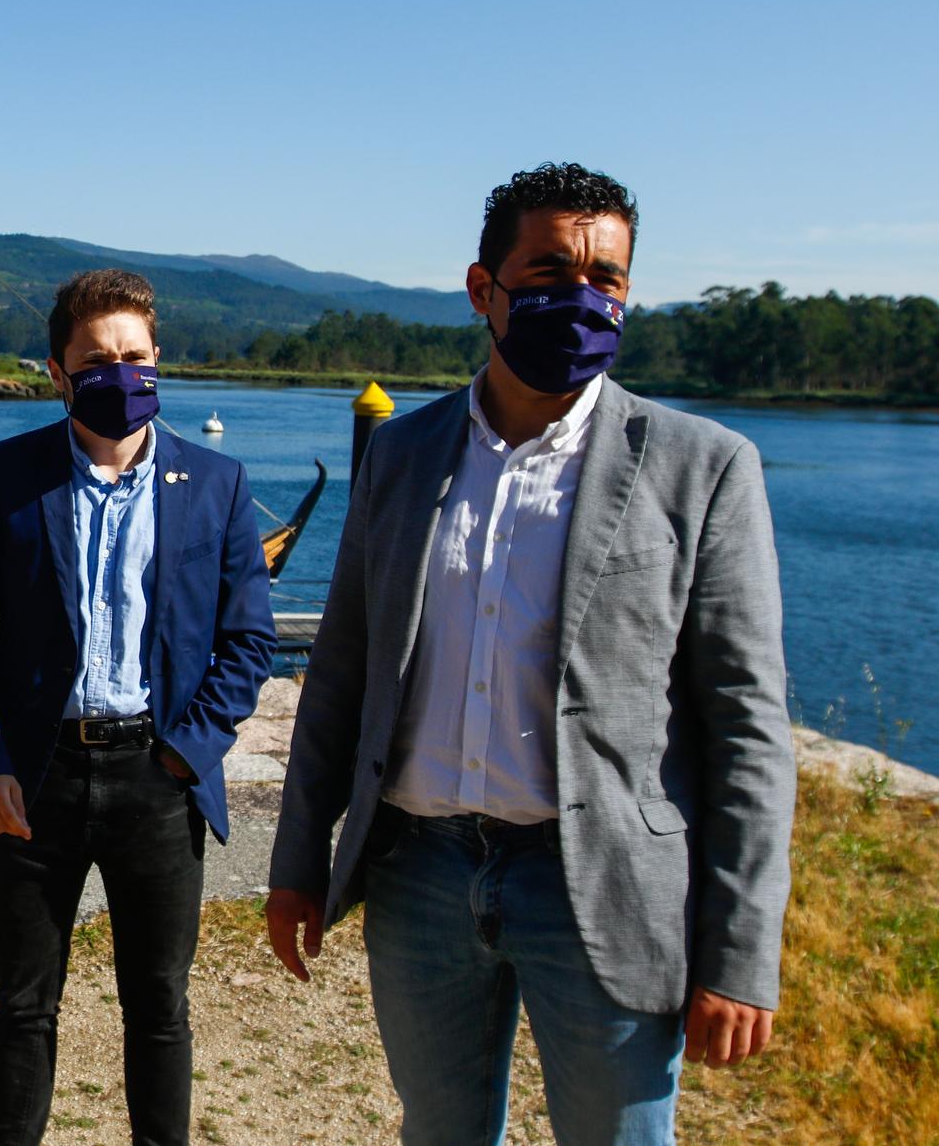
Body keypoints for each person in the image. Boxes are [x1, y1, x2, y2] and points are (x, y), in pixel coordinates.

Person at [264, 163, 796, 1144]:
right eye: (550, 270)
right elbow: (339, 672)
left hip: (598, 878)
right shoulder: (399, 454)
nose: (581, 297)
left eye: (606, 278)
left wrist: (739, 951)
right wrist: (297, 859)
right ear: (482, 289)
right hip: (418, 872)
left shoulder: (701, 467)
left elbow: (747, 727)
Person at [0, 268, 279, 1146]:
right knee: (22, 1003)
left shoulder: (219, 484)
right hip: (31, 779)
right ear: (57, 370)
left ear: (158, 358)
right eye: (97, 360)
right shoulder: (6, 475)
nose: (119, 373)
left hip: (158, 782)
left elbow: (248, 642)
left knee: (159, 1006)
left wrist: (184, 752)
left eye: (135, 356)